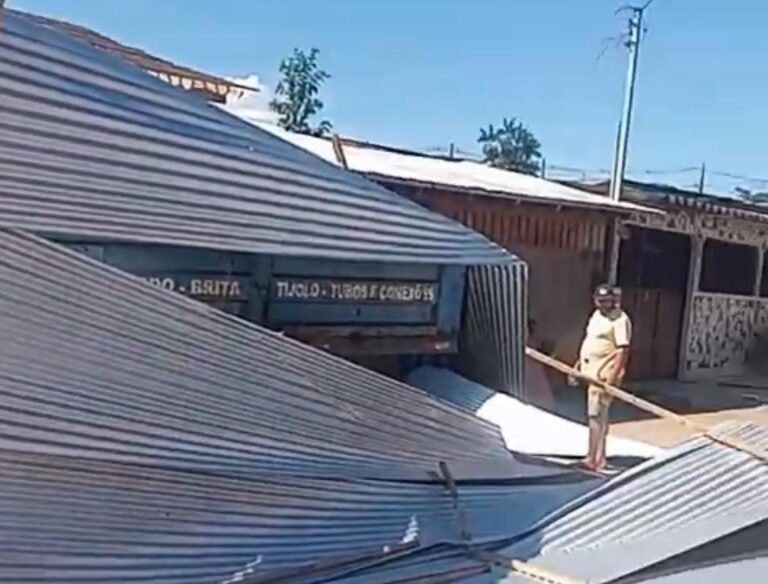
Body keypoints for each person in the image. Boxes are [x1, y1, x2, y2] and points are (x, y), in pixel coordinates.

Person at [574, 284, 632, 471]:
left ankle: (594, 459)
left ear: (614, 301)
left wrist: (613, 377)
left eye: (606, 301)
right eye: (599, 301)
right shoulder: (596, 316)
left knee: (597, 415)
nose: (602, 304)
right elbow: (590, 341)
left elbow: (622, 350)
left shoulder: (620, 320)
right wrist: (578, 365)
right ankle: (596, 456)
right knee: (594, 416)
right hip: (590, 370)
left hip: (604, 373)